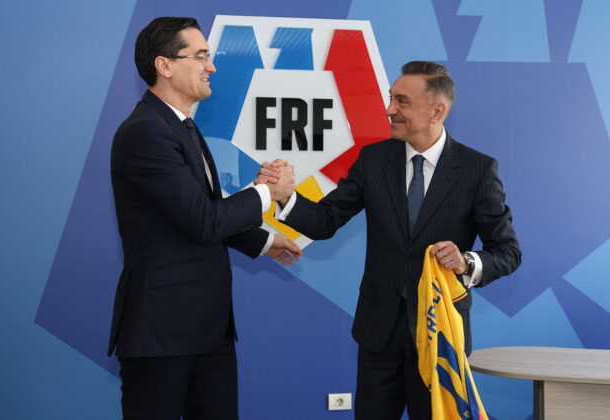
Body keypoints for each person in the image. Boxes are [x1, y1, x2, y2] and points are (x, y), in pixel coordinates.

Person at [258, 61, 521, 419]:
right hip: (377, 334)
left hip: (439, 339)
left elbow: (508, 252)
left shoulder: (478, 169)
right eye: (390, 98)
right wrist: (286, 197)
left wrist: (467, 262)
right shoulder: (374, 159)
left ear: (437, 111)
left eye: (402, 101)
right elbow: (325, 220)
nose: (389, 109)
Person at [107, 17, 300, 420]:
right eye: (200, 56)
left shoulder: (183, 128)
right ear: (164, 65)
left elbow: (199, 209)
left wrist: (263, 241)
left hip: (209, 331)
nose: (211, 66)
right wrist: (268, 192)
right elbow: (203, 220)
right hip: (162, 334)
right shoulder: (145, 132)